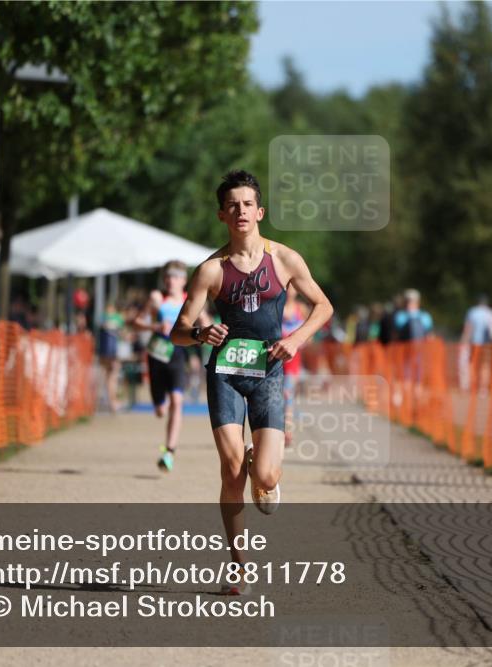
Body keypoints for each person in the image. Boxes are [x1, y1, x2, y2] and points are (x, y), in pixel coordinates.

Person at [170, 170, 333, 594]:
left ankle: (261, 466)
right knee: (230, 472)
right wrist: (201, 334)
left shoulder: (285, 260)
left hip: (268, 373)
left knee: (265, 476)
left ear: (259, 211)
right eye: (232, 205)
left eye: (247, 204)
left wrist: (295, 339)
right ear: (221, 214)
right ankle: (239, 566)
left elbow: (324, 306)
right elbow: (178, 331)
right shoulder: (210, 270)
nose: (240, 211)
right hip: (224, 373)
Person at [133, 260, 208, 472]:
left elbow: (206, 322)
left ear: (184, 280)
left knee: (177, 400)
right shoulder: (157, 299)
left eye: (175, 277)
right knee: (160, 410)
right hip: (156, 354)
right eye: (167, 276)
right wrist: (155, 325)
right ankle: (160, 408)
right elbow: (136, 323)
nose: (170, 281)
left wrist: (204, 323)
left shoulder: (190, 301)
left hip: (177, 354)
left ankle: (170, 451)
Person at [281, 284, 308, 447]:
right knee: (277, 394)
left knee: (287, 393)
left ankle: (287, 431)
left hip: (293, 358)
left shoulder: (301, 309)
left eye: (292, 287)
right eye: (286, 286)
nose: (289, 290)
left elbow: (309, 332)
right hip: (277, 356)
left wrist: (301, 341)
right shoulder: (276, 306)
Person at [458, 293, 492, 390]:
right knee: (485, 365)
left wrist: (463, 341)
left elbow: (468, 328)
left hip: (474, 343)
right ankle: (483, 388)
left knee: (472, 363)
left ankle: (472, 385)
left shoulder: (472, 312)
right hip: (488, 343)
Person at [98, 301, 125, 413]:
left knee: (107, 377)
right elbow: (122, 332)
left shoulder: (103, 318)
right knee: (111, 377)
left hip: (106, 353)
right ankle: (112, 402)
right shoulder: (117, 318)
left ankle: (110, 400)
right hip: (111, 353)